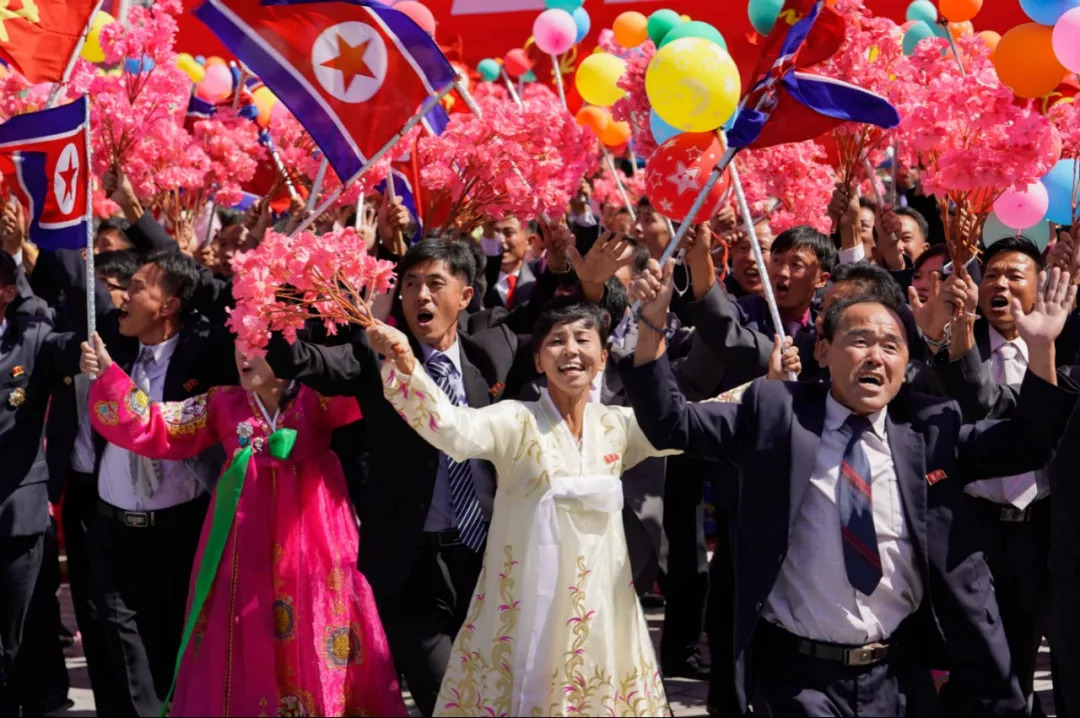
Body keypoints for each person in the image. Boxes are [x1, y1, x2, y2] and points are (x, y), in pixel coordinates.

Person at [623, 256, 1080, 716]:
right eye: (859, 341)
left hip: (898, 674)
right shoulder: (776, 414)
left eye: (891, 346)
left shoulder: (930, 430)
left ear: (906, 362)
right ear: (823, 351)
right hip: (798, 678)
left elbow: (1027, 445)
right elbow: (670, 423)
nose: (875, 357)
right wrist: (652, 324)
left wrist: (1042, 350)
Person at [367, 298, 675, 716]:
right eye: (556, 341)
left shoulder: (618, 426)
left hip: (601, 608)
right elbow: (453, 429)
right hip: (524, 604)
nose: (570, 350)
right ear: (537, 359)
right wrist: (405, 360)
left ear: (602, 357)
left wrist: (768, 388)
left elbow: (688, 426)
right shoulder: (514, 420)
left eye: (583, 340)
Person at [79, 334, 406, 716]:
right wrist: (109, 375)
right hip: (242, 549)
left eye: (258, 346)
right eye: (239, 344)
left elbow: (378, 388)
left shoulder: (318, 397)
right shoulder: (223, 403)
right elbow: (156, 424)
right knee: (245, 637)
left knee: (318, 630)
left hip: (314, 544)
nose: (243, 356)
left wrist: (381, 342)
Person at [264, 238, 521, 717]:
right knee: (442, 693)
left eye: (435, 284)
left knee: (492, 687)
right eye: (410, 284)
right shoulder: (372, 354)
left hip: (487, 556)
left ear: (464, 296)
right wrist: (285, 296)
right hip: (409, 560)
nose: (421, 296)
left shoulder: (493, 349)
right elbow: (298, 360)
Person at [88, 251, 237, 716]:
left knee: (180, 645)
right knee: (129, 655)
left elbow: (230, 302)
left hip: (181, 531)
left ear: (169, 304)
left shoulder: (207, 351)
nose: (121, 297)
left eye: (135, 287)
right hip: (112, 531)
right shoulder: (110, 339)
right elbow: (77, 286)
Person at [0, 251, 82, 715]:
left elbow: (88, 333)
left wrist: (64, 248)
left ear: (8, 294)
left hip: (15, 514)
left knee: (21, 636)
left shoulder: (33, 340)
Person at [483, 216, 538, 310]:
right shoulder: (478, 281)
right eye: (495, 232)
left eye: (508, 233)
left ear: (529, 241)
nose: (500, 240)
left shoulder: (538, 277)